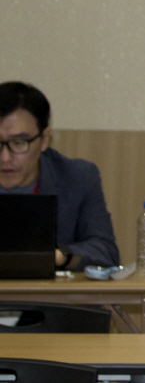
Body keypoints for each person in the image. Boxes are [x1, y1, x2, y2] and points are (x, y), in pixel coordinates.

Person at [0, 81, 120, 271]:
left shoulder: (77, 177)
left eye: (19, 142)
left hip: (48, 290)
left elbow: (105, 252)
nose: (5, 157)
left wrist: (56, 256)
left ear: (44, 139)